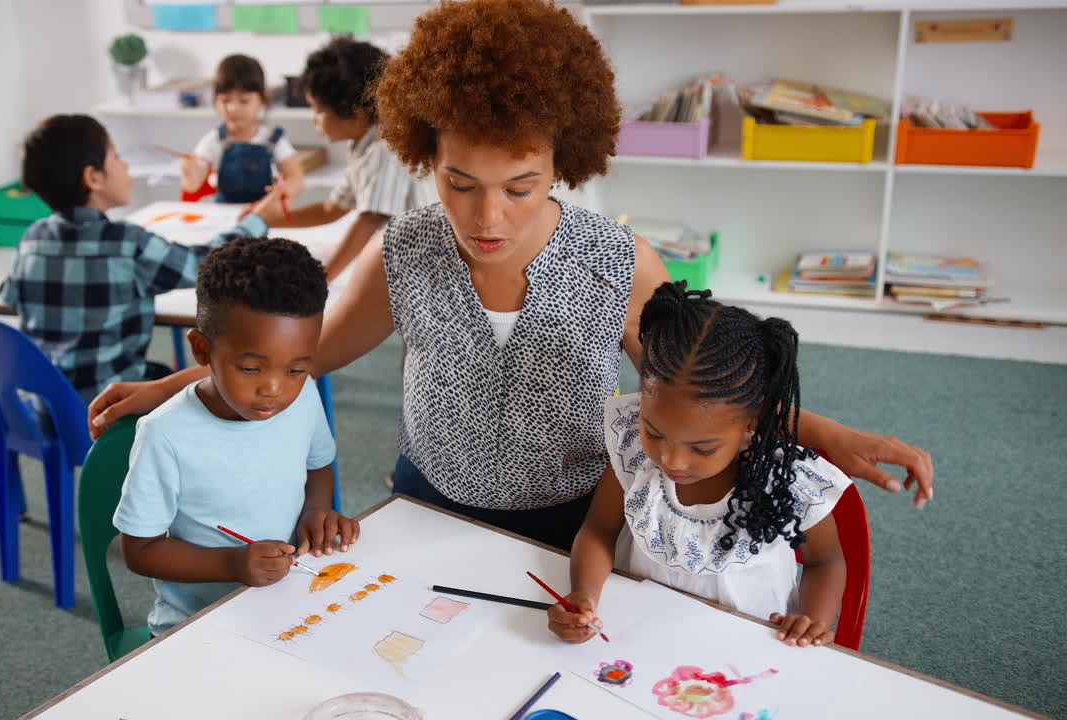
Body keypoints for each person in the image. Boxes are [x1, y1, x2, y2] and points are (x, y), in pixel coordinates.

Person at [88, 0, 933, 551]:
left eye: (520, 189)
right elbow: (306, 352)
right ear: (425, 155)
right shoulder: (408, 249)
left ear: (563, 162)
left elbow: (709, 387)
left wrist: (829, 435)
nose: (486, 219)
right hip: (426, 503)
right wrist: (178, 384)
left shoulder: (616, 261)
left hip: (572, 519)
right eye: (459, 184)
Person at [548, 282, 849, 648]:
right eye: (654, 432)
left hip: (747, 647)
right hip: (637, 638)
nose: (671, 459)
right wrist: (584, 594)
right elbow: (598, 530)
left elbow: (825, 561)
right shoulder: (633, 453)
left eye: (702, 447)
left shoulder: (784, 479)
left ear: (750, 424)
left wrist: (813, 620)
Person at [113, 236, 360, 637]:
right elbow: (139, 550)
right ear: (201, 349)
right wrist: (232, 564)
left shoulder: (305, 394)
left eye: (296, 369)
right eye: (250, 369)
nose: (275, 390)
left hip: (288, 606)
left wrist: (316, 511)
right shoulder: (165, 434)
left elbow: (317, 465)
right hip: (198, 626)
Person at [0, 114, 272, 402]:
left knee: (162, 372)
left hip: (50, 412)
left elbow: (9, 295)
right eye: (116, 157)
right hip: (113, 410)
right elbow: (208, 264)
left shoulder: (33, 239)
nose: (126, 165)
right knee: (197, 386)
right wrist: (256, 222)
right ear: (93, 177)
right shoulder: (125, 243)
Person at [253, 37, 429, 282]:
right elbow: (333, 208)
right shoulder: (364, 145)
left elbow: (369, 221)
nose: (313, 119)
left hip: (418, 272)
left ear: (355, 116)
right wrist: (265, 221)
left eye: (318, 110)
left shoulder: (385, 149)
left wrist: (323, 279)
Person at [181, 54, 304, 204]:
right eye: (225, 101)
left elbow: (296, 179)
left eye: (244, 101)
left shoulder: (272, 139)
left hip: (262, 212)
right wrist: (190, 172)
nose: (233, 108)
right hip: (223, 214)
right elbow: (193, 186)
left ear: (263, 100)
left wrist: (284, 191)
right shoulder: (214, 140)